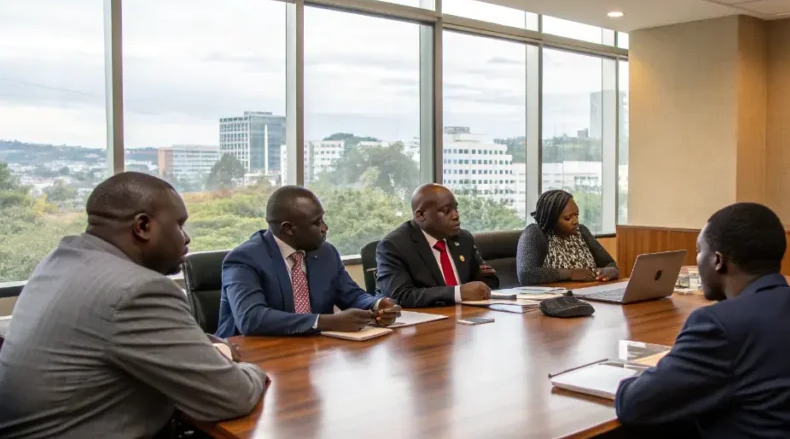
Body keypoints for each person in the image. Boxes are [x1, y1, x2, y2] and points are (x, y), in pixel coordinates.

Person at [0, 173, 267, 438]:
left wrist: (204, 348)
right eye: (179, 225)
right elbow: (232, 397)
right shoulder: (136, 289)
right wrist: (251, 369)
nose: (186, 239)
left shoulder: (62, 260)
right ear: (142, 226)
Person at [616, 203, 790, 438]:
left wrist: (655, 371)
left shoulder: (719, 325)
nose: (697, 259)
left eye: (700, 251)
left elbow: (635, 405)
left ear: (718, 261)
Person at [217, 186, 402, 337]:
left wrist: (377, 305)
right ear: (288, 229)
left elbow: (351, 295)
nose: (325, 228)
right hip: (250, 356)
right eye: (317, 222)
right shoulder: (244, 259)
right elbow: (251, 318)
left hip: (313, 350)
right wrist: (324, 321)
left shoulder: (325, 252)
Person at [376, 184, 499, 308]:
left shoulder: (463, 238)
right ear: (420, 215)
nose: (455, 215)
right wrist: (458, 293)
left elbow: (487, 279)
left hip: (466, 315)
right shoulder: (394, 246)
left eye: (456, 209)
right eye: (446, 211)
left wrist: (483, 285)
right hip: (424, 321)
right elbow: (400, 296)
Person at [516, 189, 618, 285]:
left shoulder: (581, 231)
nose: (575, 221)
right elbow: (526, 274)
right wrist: (570, 274)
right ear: (551, 219)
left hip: (589, 291)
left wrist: (611, 271)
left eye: (576, 215)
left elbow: (609, 263)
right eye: (567, 218)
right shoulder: (535, 233)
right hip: (553, 299)